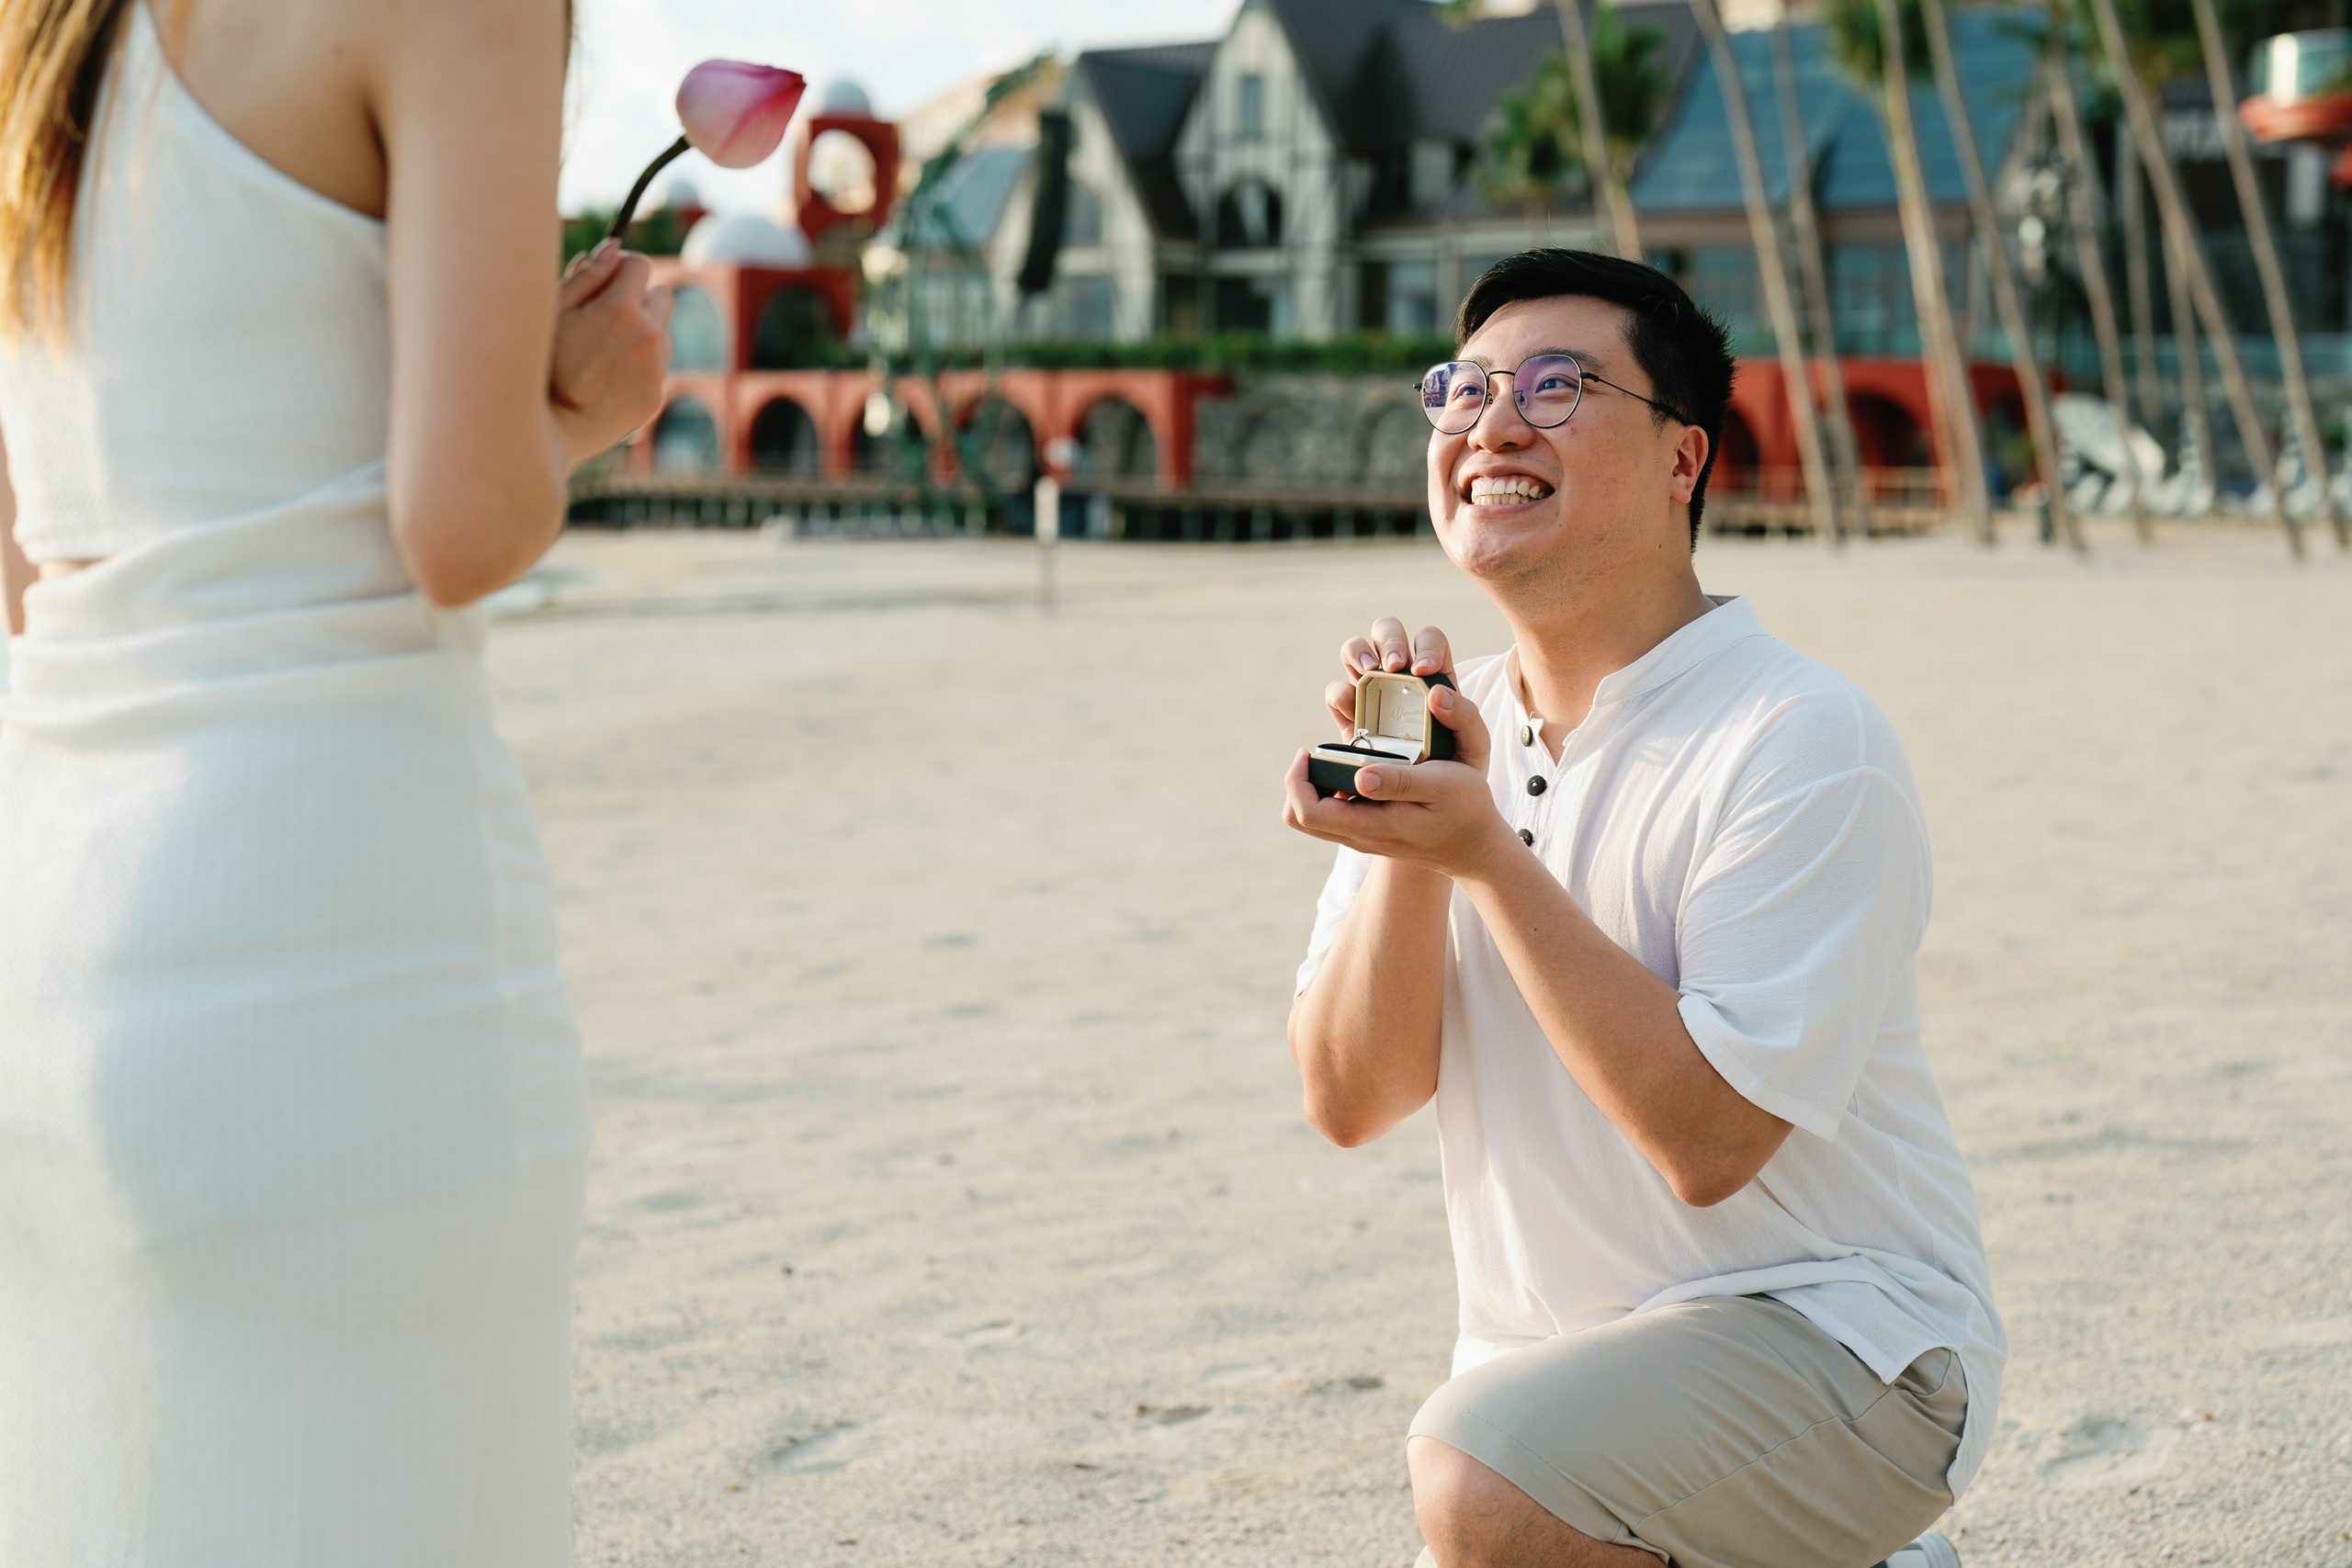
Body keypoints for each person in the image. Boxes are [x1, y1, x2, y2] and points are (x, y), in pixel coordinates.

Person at [0, 0, 672, 1559]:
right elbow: (457, 520)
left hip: (52, 910)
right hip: (330, 923)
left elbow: (26, 565)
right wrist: (570, 417)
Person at [1281, 250, 2000, 1568]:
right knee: (1487, 1470)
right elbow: (1350, 1098)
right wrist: (1404, 840)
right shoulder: (1455, 734)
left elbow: (1712, 1139)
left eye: (1558, 387)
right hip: (1559, 1391)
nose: (1493, 424)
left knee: (1477, 1481)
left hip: (1846, 1348)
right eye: (1466, 389)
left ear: (1683, 462)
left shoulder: (1799, 734)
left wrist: (1491, 859)